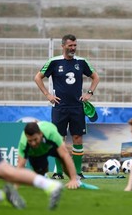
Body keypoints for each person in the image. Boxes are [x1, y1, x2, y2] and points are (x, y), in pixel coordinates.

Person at [34, 34, 100, 179]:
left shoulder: (81, 62)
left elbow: (96, 77)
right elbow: (37, 77)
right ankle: (58, 172)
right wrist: (48, 95)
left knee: (77, 138)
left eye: (75, 45)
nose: (73, 48)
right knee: (59, 139)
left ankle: (77, 172)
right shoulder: (54, 62)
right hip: (59, 107)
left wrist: (89, 93)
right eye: (70, 45)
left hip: (77, 107)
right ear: (63, 46)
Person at [17, 121, 79, 189]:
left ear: (40, 134)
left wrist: (73, 179)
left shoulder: (52, 134)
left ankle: (75, 180)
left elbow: (66, 155)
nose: (33, 143)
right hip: (36, 152)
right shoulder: (24, 142)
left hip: (51, 147)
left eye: (35, 139)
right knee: (40, 174)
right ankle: (44, 178)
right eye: (30, 141)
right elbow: (20, 165)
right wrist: (15, 185)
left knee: (64, 161)